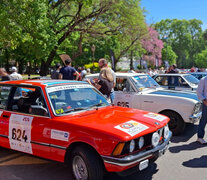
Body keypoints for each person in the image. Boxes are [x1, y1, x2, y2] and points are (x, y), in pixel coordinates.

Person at [196, 76, 207, 144]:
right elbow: (199, 92)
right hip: (206, 103)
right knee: (204, 120)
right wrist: (204, 101)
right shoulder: (204, 79)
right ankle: (200, 137)